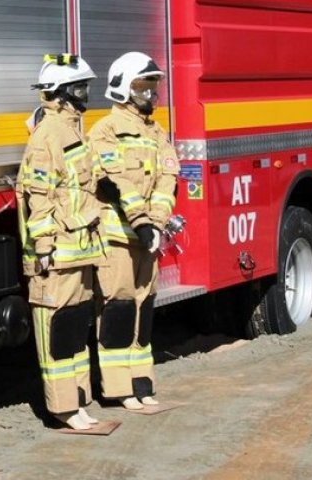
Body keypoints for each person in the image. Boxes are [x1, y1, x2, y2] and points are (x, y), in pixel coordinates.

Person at [16, 53, 108, 430]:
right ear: (61, 93)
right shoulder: (48, 136)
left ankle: (78, 401)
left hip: (79, 250)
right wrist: (44, 248)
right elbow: (38, 194)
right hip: (56, 255)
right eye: (80, 87)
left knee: (72, 330)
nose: (86, 93)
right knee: (55, 335)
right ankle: (63, 408)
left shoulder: (73, 131)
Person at [88, 51, 179, 410]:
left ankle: (142, 383)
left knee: (145, 308)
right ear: (124, 88)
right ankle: (119, 389)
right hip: (117, 238)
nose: (151, 95)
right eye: (143, 86)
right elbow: (117, 181)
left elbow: (166, 181)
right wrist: (141, 223)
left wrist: (155, 224)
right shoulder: (105, 131)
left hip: (147, 238)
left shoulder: (157, 132)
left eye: (153, 86)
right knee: (119, 309)